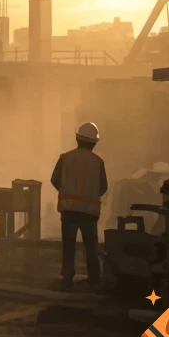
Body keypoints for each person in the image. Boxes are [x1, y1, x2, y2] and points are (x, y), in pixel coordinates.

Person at [51, 121, 108, 291]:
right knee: (90, 245)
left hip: (68, 210)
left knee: (68, 245)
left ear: (77, 138)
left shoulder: (65, 158)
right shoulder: (98, 162)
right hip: (89, 212)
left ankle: (67, 278)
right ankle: (93, 278)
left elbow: (55, 179)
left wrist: (67, 189)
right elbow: (103, 187)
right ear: (94, 143)